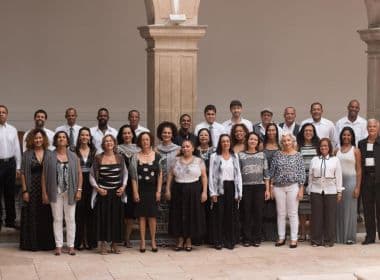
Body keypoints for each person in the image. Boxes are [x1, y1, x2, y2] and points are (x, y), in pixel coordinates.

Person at [42, 131, 83, 256]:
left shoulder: (73, 156)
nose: (61, 139)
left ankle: (71, 245)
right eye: (59, 137)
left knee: (70, 219)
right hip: (55, 192)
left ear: (67, 140)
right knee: (57, 219)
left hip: (70, 192)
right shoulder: (49, 156)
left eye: (64, 137)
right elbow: (44, 175)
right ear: (56, 140)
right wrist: (44, 193)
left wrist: (79, 190)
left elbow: (80, 173)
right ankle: (58, 245)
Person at [166, 140, 207, 251]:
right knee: (178, 214)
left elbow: (203, 177)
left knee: (191, 214)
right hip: (178, 189)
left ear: (193, 148)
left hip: (194, 189)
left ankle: (188, 240)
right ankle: (180, 240)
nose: (185, 148)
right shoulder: (175, 160)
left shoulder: (199, 161)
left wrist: (204, 192)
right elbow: (170, 175)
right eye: (183, 147)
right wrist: (167, 190)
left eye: (188, 146)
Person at [90, 134, 128, 254]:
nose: (108, 143)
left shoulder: (120, 158)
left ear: (114, 143)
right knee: (103, 220)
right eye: (106, 141)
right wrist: (97, 188)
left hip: (117, 193)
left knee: (116, 219)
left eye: (110, 141)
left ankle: (115, 244)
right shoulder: (98, 158)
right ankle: (103, 245)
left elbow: (126, 173)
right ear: (103, 144)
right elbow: (91, 175)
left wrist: (123, 187)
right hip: (103, 194)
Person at [19, 128, 55, 251]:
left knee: (45, 216)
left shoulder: (50, 153)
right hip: (31, 188)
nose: (38, 140)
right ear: (31, 140)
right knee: (32, 215)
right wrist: (25, 191)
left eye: (40, 138)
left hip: (46, 189)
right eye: (35, 138)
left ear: (44, 139)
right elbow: (23, 173)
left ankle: (45, 244)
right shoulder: (27, 154)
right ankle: (31, 244)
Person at [269, 133, 306, 248]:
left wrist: (301, 189)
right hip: (278, 187)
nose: (286, 142)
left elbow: (301, 173)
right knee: (281, 213)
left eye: (288, 140)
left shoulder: (298, 155)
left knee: (293, 213)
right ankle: (281, 237)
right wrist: (271, 187)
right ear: (281, 143)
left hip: (293, 186)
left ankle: (294, 239)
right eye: (284, 141)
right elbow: (271, 172)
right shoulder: (277, 155)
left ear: (292, 141)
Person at [130, 132, 163, 252]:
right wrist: (135, 192)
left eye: (147, 140)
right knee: (142, 217)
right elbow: (133, 177)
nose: (145, 142)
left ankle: (153, 240)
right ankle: (142, 241)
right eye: (143, 140)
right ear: (140, 142)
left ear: (151, 141)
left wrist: (159, 191)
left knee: (152, 216)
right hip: (141, 190)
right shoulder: (135, 157)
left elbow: (160, 175)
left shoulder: (158, 156)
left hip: (153, 190)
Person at [209, 134, 242, 250]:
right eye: (223, 141)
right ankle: (218, 240)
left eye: (227, 141)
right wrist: (212, 192)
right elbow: (211, 175)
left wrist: (239, 192)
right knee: (219, 215)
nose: (225, 143)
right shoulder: (215, 156)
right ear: (220, 143)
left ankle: (230, 240)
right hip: (219, 188)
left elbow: (238, 175)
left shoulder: (235, 156)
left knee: (230, 215)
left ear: (230, 143)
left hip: (232, 187)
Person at [309, 138, 343, 247]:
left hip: (331, 191)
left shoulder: (335, 160)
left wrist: (339, 192)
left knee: (330, 216)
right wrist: (310, 189)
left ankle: (329, 240)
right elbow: (310, 175)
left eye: (326, 146)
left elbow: (338, 176)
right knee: (316, 217)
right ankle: (316, 240)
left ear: (329, 147)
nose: (323, 148)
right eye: (322, 146)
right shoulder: (314, 159)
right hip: (316, 190)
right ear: (319, 148)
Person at [239, 132, 270, 247]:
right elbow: (238, 174)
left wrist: (267, 190)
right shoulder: (240, 155)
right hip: (245, 187)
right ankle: (246, 238)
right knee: (246, 213)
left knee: (258, 213)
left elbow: (266, 173)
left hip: (259, 187)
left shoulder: (262, 155)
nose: (252, 141)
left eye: (255, 140)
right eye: (251, 139)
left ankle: (257, 238)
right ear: (247, 140)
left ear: (258, 142)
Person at [336, 127, 362, 244]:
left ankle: (349, 237)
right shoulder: (336, 150)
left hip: (351, 182)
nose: (346, 137)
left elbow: (359, 170)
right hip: (339, 183)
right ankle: (338, 236)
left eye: (349, 135)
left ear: (352, 137)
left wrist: (357, 187)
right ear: (341, 136)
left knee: (350, 210)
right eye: (344, 135)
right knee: (339, 209)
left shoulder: (355, 150)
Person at [155, 121, 181, 238]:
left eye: (169, 133)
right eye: (164, 132)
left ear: (172, 134)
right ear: (160, 134)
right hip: (159, 184)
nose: (166, 135)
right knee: (160, 212)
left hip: (175, 184)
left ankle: (173, 237)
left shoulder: (178, 150)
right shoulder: (155, 150)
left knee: (174, 211)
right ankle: (160, 238)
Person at [116, 124, 140, 248]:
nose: (126, 135)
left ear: (132, 134)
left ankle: (127, 238)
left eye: (129, 133)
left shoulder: (139, 149)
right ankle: (117, 237)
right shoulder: (116, 149)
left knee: (130, 213)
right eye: (124, 133)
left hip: (134, 184)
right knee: (119, 211)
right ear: (121, 135)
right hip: (118, 184)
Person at [74, 127, 97, 250]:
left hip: (91, 182)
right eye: (82, 135)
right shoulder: (73, 150)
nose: (84, 137)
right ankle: (79, 241)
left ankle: (90, 241)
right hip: (78, 182)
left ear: (90, 137)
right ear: (79, 137)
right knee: (79, 213)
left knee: (90, 212)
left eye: (87, 135)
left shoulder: (94, 151)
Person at [358, 119, 380, 245]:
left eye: (374, 126)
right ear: (367, 128)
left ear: (378, 129)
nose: (371, 128)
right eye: (369, 126)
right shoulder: (361, 143)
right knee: (368, 210)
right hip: (366, 181)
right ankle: (370, 237)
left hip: (379, 180)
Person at [296, 123, 320, 241]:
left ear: (314, 132)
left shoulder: (318, 146)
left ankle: (311, 231)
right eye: (306, 131)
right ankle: (302, 232)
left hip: (314, 181)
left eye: (310, 131)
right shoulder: (298, 146)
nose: (308, 133)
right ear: (302, 132)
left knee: (312, 207)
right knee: (301, 208)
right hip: (301, 180)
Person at [0, 105, 21, 229]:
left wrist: (18, 167)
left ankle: (10, 220)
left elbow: (17, 148)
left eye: (3, 112)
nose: (1, 114)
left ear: (7, 115)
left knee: (10, 193)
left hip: (10, 164)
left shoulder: (13, 129)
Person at [194, 128, 215, 244]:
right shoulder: (194, 151)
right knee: (198, 211)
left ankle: (209, 237)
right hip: (197, 184)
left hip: (211, 183)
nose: (203, 137)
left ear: (209, 137)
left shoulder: (215, 151)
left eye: (206, 135)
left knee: (211, 211)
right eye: (201, 135)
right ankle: (198, 237)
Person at [262, 123, 280, 241]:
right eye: (269, 130)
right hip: (263, 180)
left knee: (277, 209)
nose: (271, 132)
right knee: (264, 208)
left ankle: (275, 234)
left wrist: (273, 184)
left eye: (273, 130)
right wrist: (268, 186)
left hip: (278, 181)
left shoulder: (280, 145)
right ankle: (264, 234)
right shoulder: (261, 146)